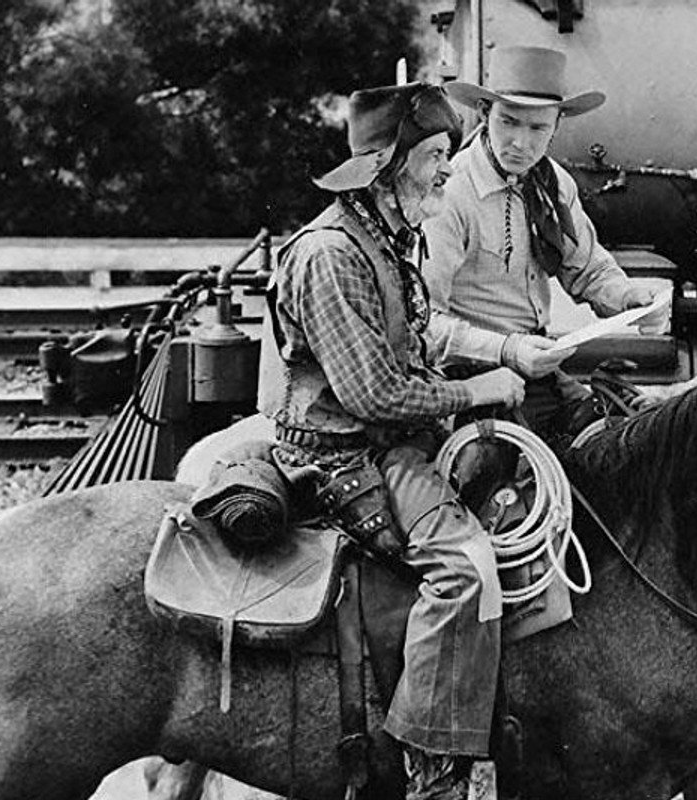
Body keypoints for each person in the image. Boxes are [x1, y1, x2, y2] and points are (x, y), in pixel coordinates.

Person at [264, 81, 518, 800]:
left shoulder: (390, 234)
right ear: (391, 166)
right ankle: (431, 766)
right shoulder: (330, 255)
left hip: (391, 436)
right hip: (343, 451)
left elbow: (410, 345)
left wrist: (501, 359)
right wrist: (476, 392)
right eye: (437, 155)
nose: (447, 170)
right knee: (466, 568)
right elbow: (370, 392)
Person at [423, 45, 666, 434]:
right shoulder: (451, 195)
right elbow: (422, 323)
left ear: (558, 126)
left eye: (537, 128)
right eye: (509, 122)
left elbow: (587, 268)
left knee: (625, 437)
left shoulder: (553, 182)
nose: (521, 142)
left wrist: (628, 298)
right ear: (485, 115)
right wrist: (507, 349)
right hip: (470, 379)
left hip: (539, 371)